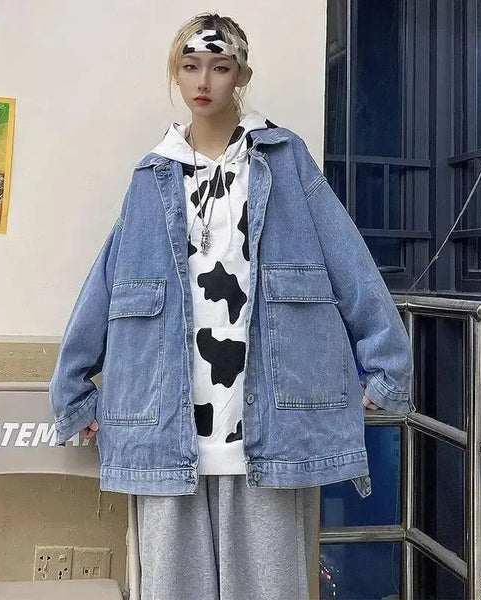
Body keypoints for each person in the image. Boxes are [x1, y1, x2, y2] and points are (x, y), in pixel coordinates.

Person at [49, 11, 414, 600]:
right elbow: (109, 283)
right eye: (190, 65)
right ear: (175, 72)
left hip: (273, 428)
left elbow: (349, 260)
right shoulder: (153, 174)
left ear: (241, 74)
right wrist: (72, 392)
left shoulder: (283, 159)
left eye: (220, 67)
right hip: (166, 429)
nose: (204, 81)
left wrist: (386, 366)